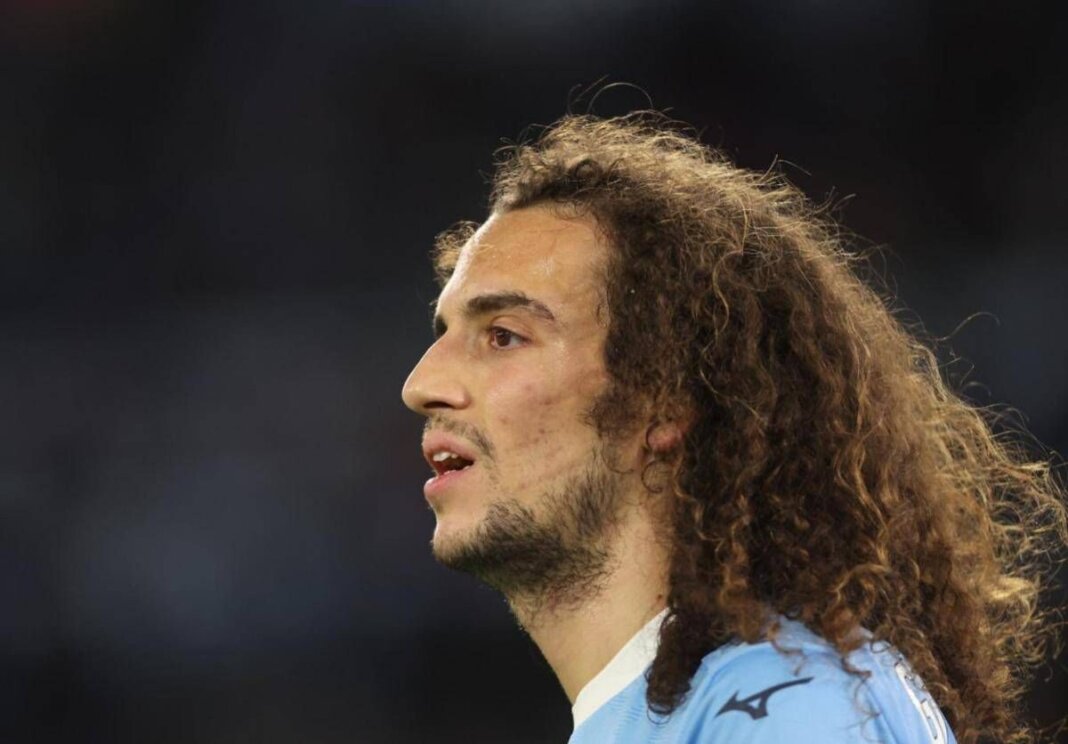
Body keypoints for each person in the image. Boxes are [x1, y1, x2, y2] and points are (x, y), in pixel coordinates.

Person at [400, 113, 1066, 743]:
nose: (421, 384)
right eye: (444, 332)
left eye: (504, 336)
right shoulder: (717, 707)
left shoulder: (790, 708)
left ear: (661, 401)